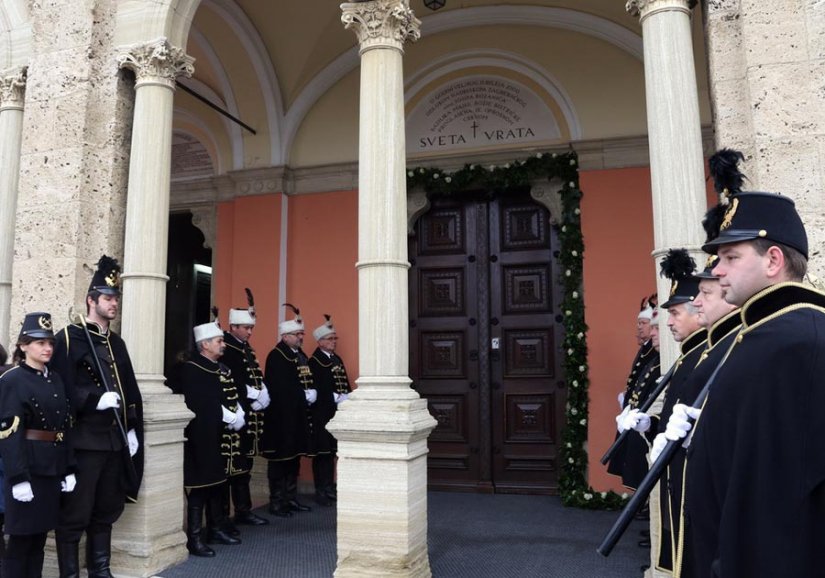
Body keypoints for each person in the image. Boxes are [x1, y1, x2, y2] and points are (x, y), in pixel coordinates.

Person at [664, 149, 825, 577]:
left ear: (773, 260)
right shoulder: (758, 334)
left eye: (732, 258)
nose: (718, 271)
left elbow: (779, 490)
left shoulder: (799, 339)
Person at [50, 255, 144, 578]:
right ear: (91, 300)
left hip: (114, 441)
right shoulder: (69, 337)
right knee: (76, 513)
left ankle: (100, 570)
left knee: (105, 510)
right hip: (85, 441)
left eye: (116, 298)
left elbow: (130, 390)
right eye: (108, 298)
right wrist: (92, 400)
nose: (114, 303)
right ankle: (70, 574)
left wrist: (131, 429)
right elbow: (59, 390)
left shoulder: (116, 342)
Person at [0, 313, 75, 578]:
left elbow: (63, 426)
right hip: (28, 469)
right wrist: (18, 478)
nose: (47, 348)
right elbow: (9, 434)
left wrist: (68, 468)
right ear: (23, 346)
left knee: (40, 540)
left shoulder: (54, 378)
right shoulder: (12, 380)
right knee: (20, 542)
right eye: (39, 342)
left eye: (50, 343)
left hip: (51, 469)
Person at [174, 318, 246, 557]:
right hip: (200, 437)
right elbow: (200, 403)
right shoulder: (193, 368)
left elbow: (225, 395)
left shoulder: (217, 367)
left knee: (217, 484)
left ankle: (215, 528)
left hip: (219, 435)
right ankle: (194, 539)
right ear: (205, 345)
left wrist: (236, 411)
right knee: (200, 488)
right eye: (218, 341)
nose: (222, 344)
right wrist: (225, 414)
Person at [219, 290, 270, 527]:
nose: (250, 332)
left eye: (251, 328)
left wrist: (263, 391)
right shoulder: (227, 346)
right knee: (235, 468)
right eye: (245, 328)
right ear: (233, 326)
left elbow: (253, 374)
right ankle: (231, 513)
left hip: (250, 413)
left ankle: (243, 509)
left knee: (245, 466)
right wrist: (250, 393)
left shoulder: (245, 347)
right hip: (236, 412)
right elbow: (230, 379)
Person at [261, 304, 314, 517]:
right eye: (297, 334)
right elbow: (282, 388)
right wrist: (304, 395)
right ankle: (276, 502)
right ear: (285, 336)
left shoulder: (299, 355)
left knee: (294, 459)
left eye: (301, 333)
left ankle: (290, 498)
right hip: (280, 419)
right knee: (279, 461)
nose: (301, 337)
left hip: (297, 416)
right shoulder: (276, 356)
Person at [606, 294, 658, 481]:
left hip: (644, 410)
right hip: (634, 408)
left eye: (643, 323)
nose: (639, 328)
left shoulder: (654, 350)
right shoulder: (646, 349)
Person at [308, 315, 352, 506]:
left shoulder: (336, 359)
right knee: (323, 453)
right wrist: (334, 397)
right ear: (320, 342)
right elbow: (316, 388)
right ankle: (321, 489)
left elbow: (344, 381)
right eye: (330, 339)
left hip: (337, 412)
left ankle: (330, 486)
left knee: (333, 451)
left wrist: (348, 397)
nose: (334, 342)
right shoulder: (315, 362)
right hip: (322, 414)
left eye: (335, 338)